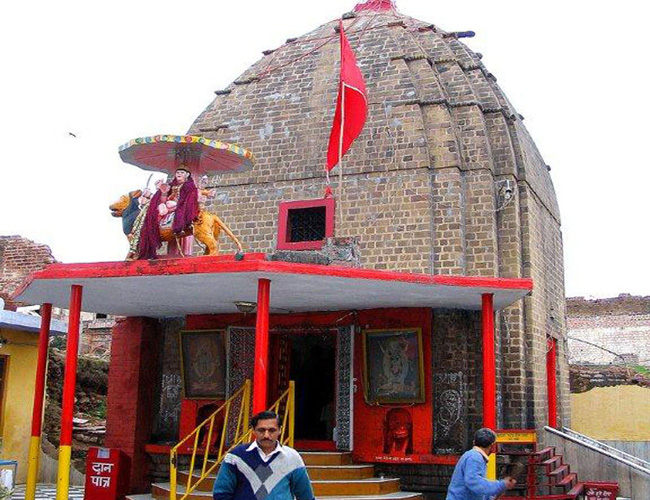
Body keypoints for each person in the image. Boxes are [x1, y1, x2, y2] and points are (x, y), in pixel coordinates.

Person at [212, 411, 315, 500]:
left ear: (280, 430)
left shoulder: (292, 457)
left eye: (272, 430)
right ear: (253, 430)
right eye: (261, 430)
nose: (266, 435)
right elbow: (221, 493)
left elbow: (305, 495)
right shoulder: (236, 457)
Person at [446, 428, 517, 500]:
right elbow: (474, 483)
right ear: (492, 446)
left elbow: (477, 488)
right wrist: (501, 485)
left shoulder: (473, 456)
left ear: (474, 442)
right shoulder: (475, 457)